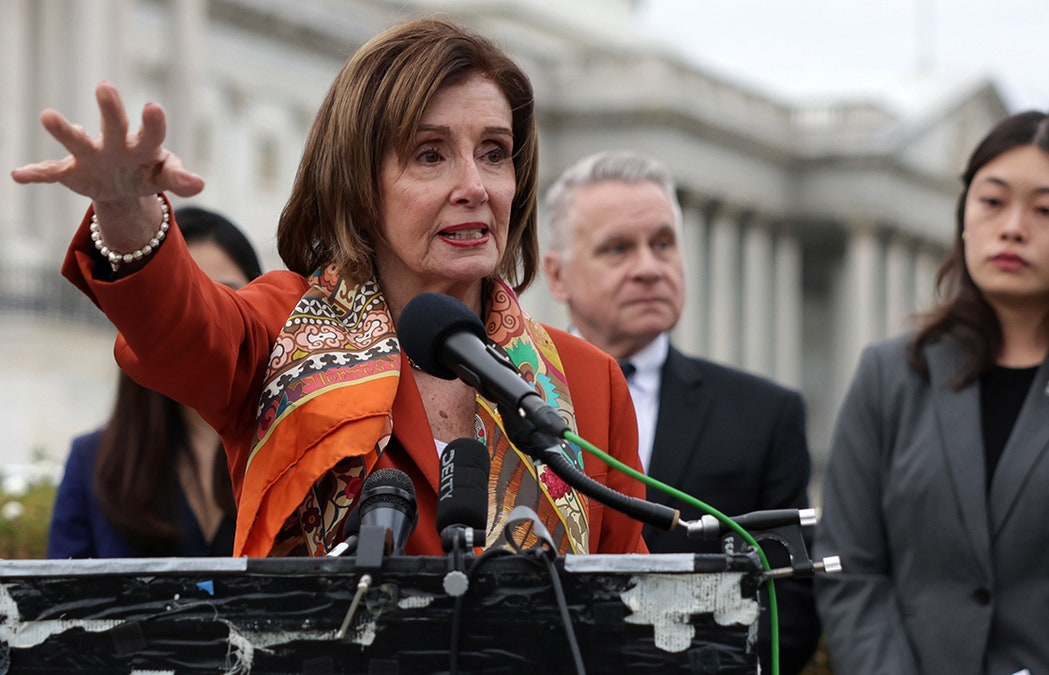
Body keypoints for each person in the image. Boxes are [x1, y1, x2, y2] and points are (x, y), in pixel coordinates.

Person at [13, 18, 648, 559]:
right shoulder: (282, 330)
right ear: (358, 184)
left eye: (494, 152)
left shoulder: (588, 384)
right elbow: (181, 328)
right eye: (430, 155)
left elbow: (635, 615)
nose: (474, 187)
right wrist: (127, 211)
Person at [813, 110, 1049, 674]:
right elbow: (849, 569)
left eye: (1046, 210)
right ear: (964, 213)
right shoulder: (888, 376)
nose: (1013, 227)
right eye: (992, 202)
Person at [542, 150, 820, 673]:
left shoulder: (765, 414)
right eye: (618, 248)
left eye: (663, 243)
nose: (649, 268)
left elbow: (791, 609)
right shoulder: (505, 400)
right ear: (557, 276)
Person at [48, 206, 262, 558]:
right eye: (182, 299)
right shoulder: (93, 463)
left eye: (225, 296)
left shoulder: (297, 453)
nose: (204, 319)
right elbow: (60, 609)